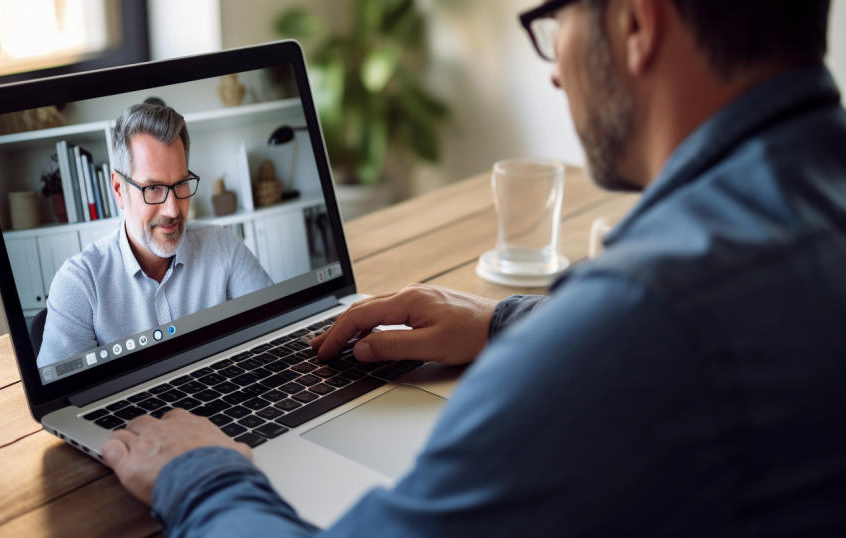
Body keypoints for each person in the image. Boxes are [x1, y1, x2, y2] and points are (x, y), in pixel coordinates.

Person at [102, 0, 846, 535]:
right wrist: (507, 321)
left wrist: (199, 477)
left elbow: (655, 336)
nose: (555, 72)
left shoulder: (645, 316)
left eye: (555, 23)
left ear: (634, 22)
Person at [38, 103, 272, 367]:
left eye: (181, 183)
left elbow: (275, 333)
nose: (173, 209)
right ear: (118, 190)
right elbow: (64, 400)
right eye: (153, 189)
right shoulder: (79, 284)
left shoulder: (223, 246)